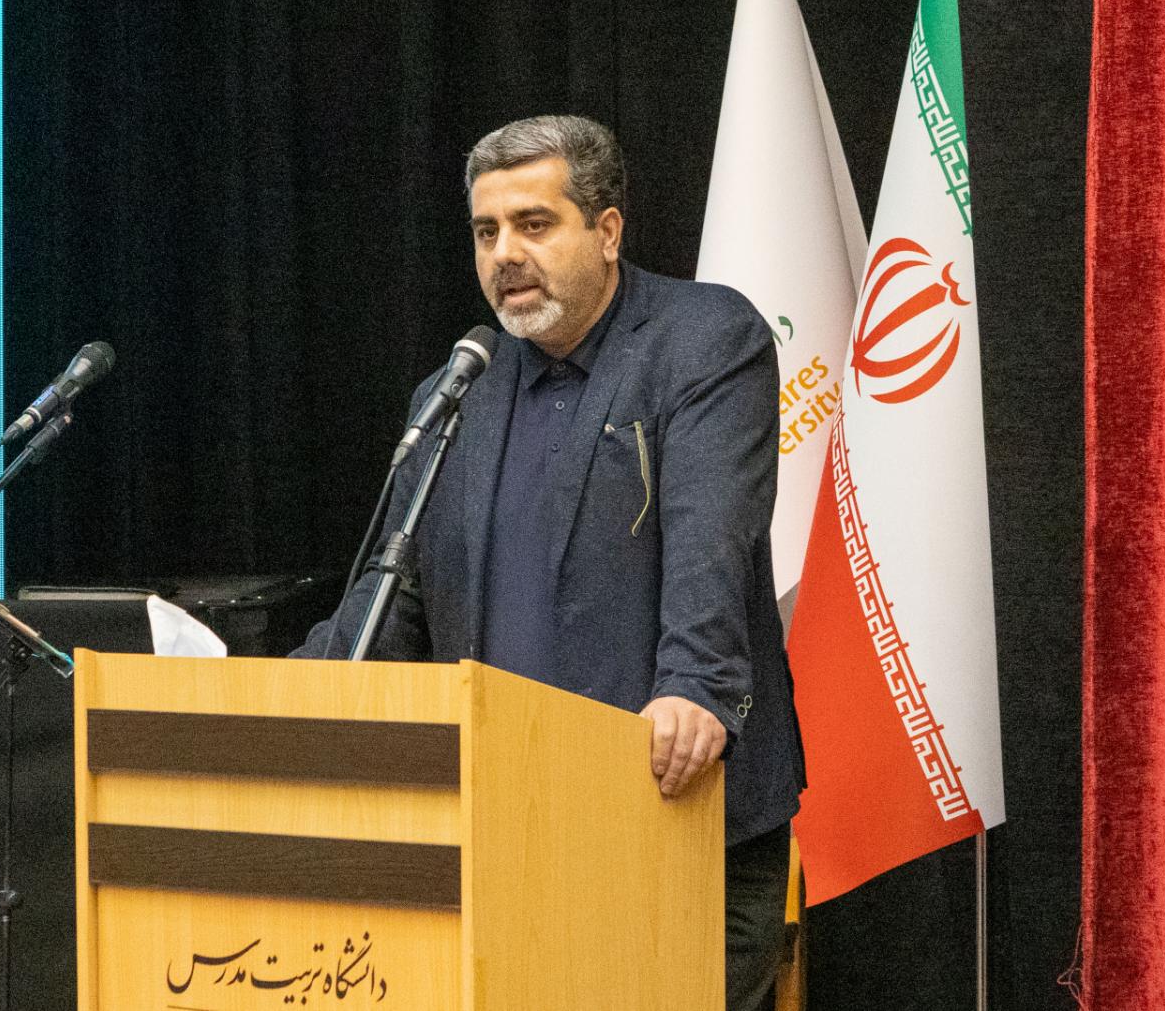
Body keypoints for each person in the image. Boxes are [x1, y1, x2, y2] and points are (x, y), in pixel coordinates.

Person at [292, 114, 805, 1011]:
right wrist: (279, 690)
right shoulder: (459, 388)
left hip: (674, 813)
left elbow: (710, 536)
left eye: (534, 224)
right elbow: (393, 596)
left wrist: (694, 684)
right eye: (486, 232)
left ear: (607, 231)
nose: (505, 255)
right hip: (505, 831)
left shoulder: (703, 339)